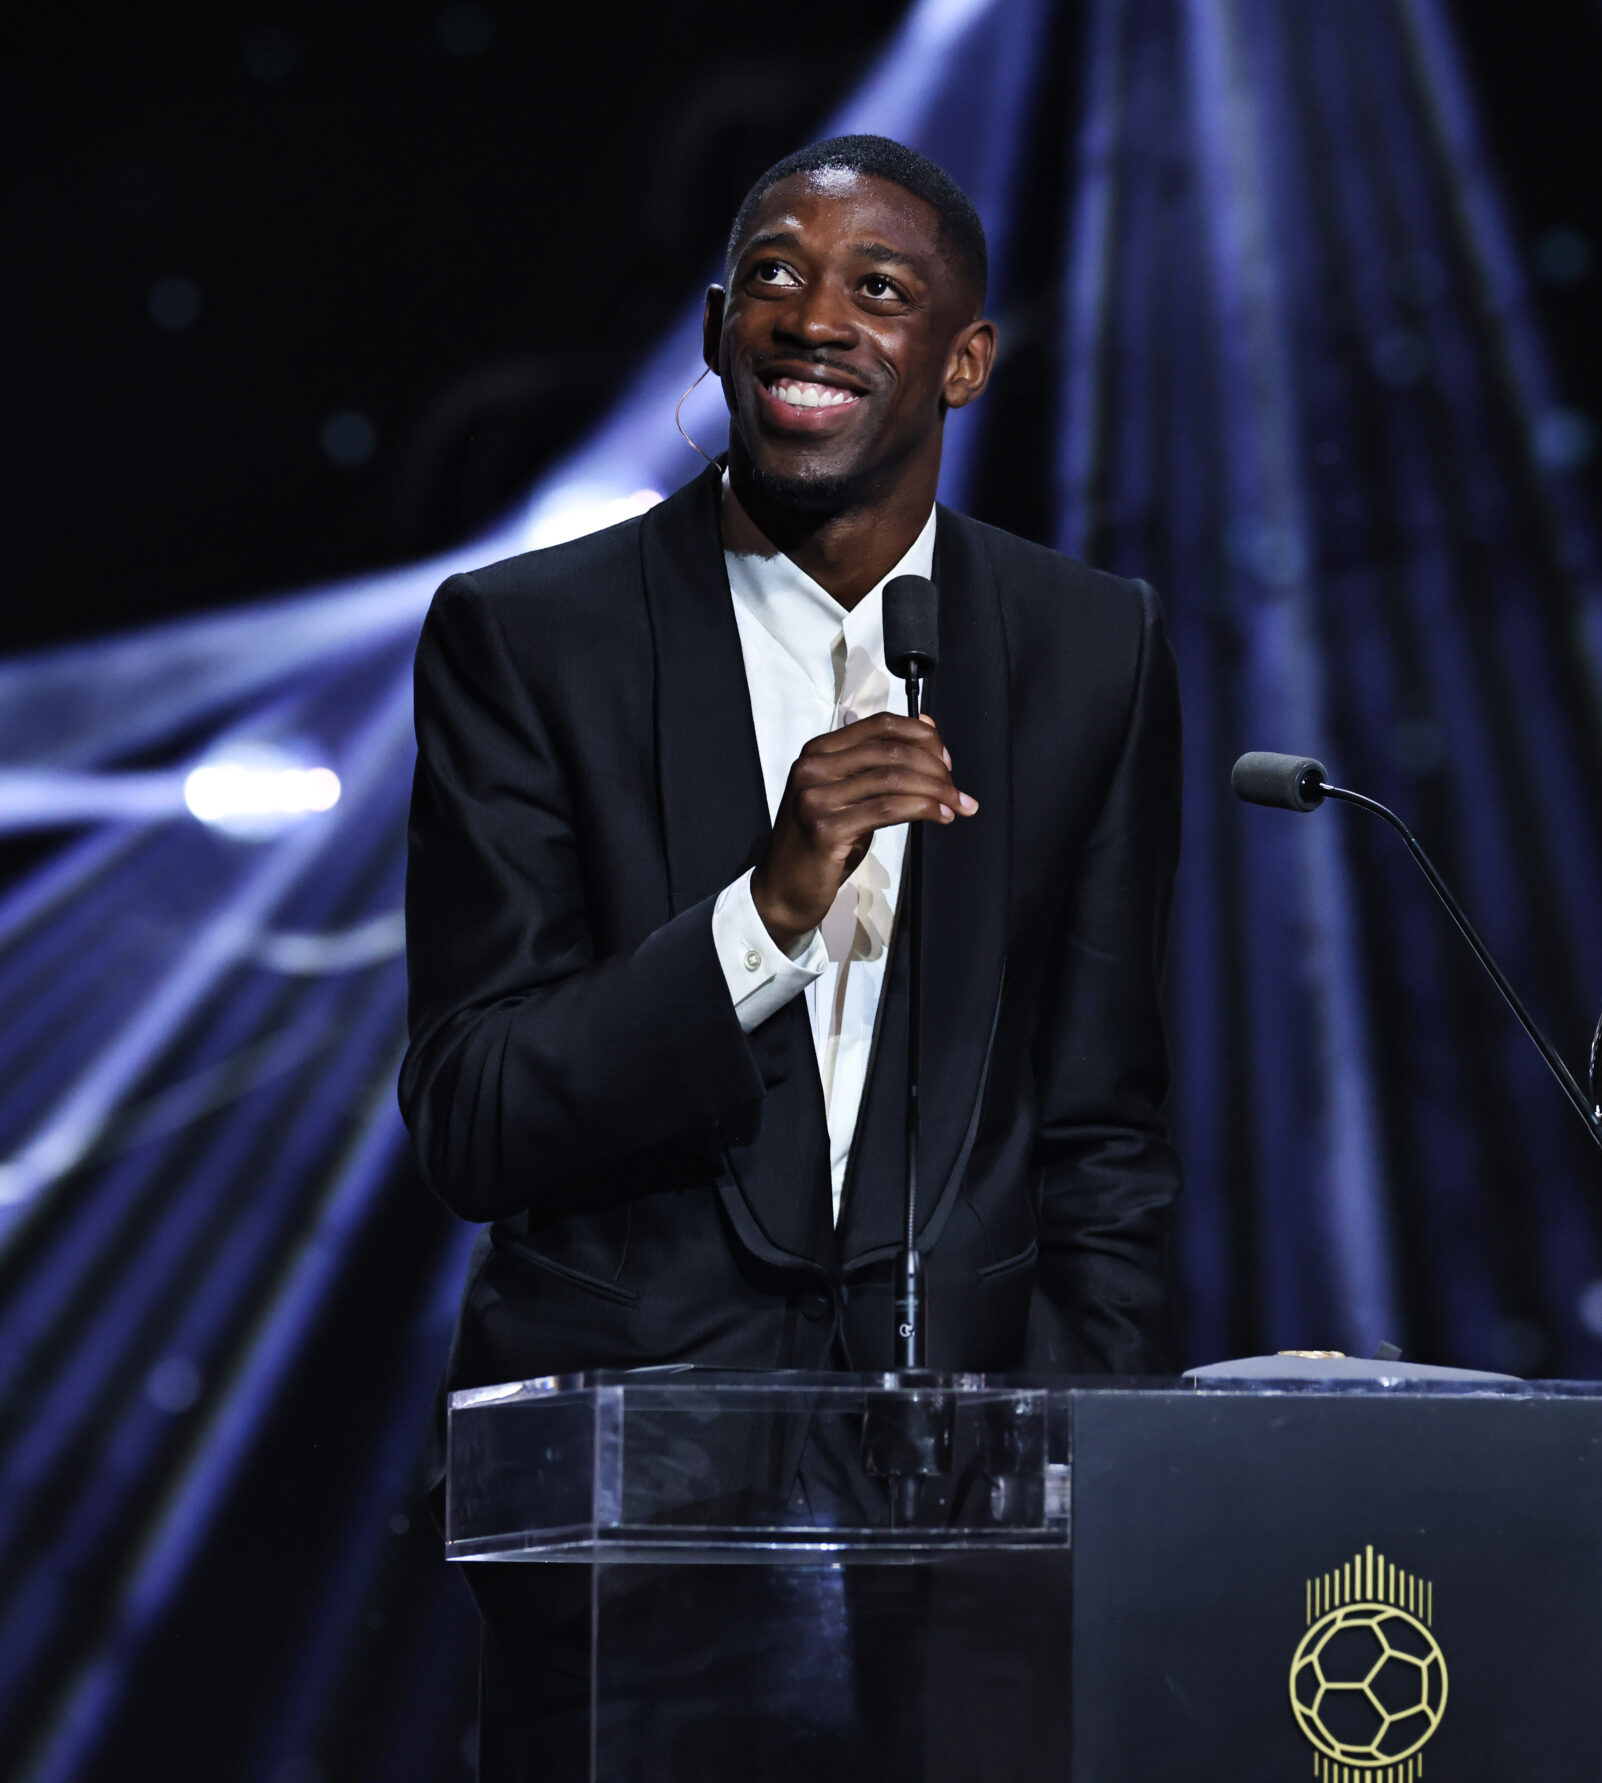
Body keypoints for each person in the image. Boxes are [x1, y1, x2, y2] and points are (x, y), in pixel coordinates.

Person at [400, 135, 1181, 1774]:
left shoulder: (1088, 645)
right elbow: (475, 1111)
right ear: (712, 330)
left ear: (963, 362)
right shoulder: (531, 639)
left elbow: (1101, 1127)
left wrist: (1085, 1455)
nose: (810, 317)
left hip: (973, 1528)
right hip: (630, 1518)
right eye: (772, 276)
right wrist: (764, 911)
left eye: (877, 290)